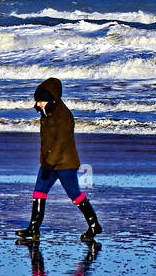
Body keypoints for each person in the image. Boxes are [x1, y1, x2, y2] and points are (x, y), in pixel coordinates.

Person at [15, 77, 102, 243]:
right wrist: (46, 161)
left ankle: (93, 225)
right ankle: (34, 227)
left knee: (75, 195)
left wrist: (49, 162)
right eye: (37, 101)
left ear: (50, 98)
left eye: (41, 101)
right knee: (39, 191)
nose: (38, 104)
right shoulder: (47, 113)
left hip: (64, 163)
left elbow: (61, 142)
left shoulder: (63, 115)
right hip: (49, 162)